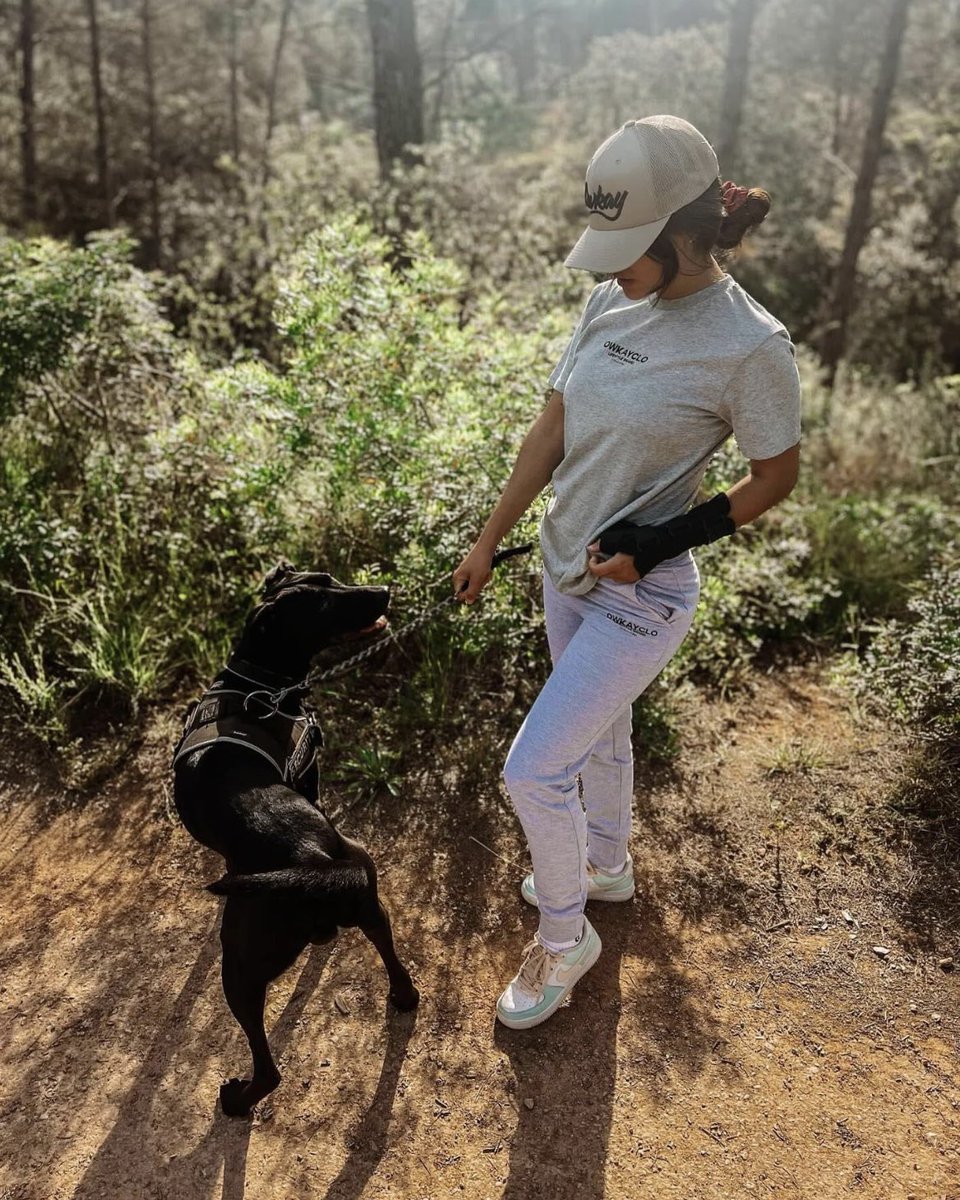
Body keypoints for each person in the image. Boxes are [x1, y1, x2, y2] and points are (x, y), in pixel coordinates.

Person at [453, 114, 801, 1030]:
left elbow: (777, 476)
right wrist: (490, 539)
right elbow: (551, 428)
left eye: (626, 247)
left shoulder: (750, 344)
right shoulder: (610, 301)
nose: (610, 268)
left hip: (642, 595)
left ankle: (566, 939)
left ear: (685, 231)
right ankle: (606, 866)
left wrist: (659, 540)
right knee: (601, 739)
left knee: (532, 773)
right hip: (564, 568)